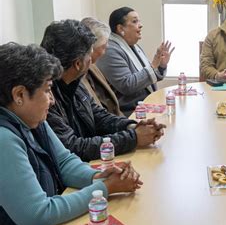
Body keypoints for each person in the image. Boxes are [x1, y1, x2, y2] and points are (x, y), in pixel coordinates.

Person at [0, 43, 142, 225]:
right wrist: (105, 188)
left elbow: (65, 162)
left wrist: (98, 176)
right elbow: (38, 213)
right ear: (19, 95)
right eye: (47, 90)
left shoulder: (32, 119)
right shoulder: (4, 139)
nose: (52, 100)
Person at [41, 20, 165, 162]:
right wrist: (133, 138)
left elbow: (98, 116)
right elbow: (73, 147)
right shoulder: (45, 96)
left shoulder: (74, 82)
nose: (93, 60)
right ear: (77, 63)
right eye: (90, 54)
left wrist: (132, 126)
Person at [97, 7, 174, 116]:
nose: (140, 25)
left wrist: (161, 65)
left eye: (139, 21)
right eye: (134, 21)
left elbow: (149, 77)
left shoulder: (133, 46)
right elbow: (127, 85)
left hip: (145, 106)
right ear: (120, 28)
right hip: (129, 112)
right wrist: (153, 65)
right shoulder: (110, 50)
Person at [81, 17, 123, 116]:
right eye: (103, 46)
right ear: (90, 48)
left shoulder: (93, 67)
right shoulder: (76, 76)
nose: (105, 50)